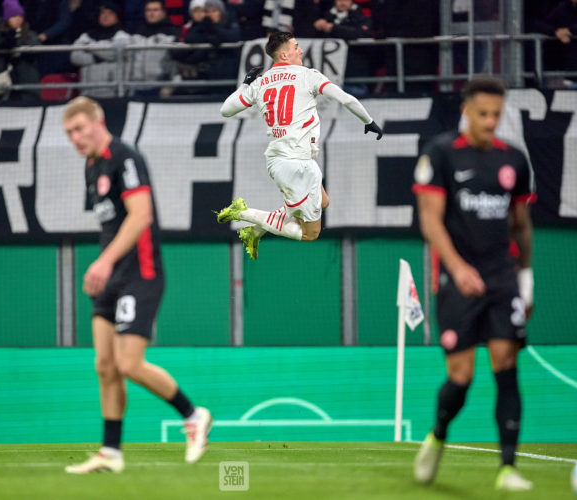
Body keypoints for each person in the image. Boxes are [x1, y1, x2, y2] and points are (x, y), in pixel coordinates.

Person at [62, 96, 212, 474]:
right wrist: (105, 266)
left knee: (129, 363)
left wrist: (105, 261)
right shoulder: (90, 167)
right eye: (68, 133)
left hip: (140, 274)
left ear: (98, 122)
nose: (75, 138)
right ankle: (111, 452)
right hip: (110, 278)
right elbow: (111, 224)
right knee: (105, 365)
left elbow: (141, 215)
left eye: (79, 129)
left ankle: (193, 416)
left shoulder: (124, 156)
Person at [411, 76, 536, 491]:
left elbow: (521, 225)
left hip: (502, 277)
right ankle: (438, 434)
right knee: (461, 377)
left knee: (506, 365)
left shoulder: (514, 160)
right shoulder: (441, 154)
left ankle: (507, 468)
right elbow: (430, 220)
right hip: (455, 279)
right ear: (466, 111)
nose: (490, 121)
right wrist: (457, 267)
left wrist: (527, 277)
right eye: (483, 114)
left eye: (496, 115)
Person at [215, 31, 383, 260]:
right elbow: (346, 99)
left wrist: (245, 85)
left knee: (324, 201)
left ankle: (256, 230)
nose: (300, 50)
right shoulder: (309, 75)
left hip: (284, 159)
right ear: (284, 54)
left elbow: (226, 110)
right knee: (310, 234)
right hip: (296, 165)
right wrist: (368, 121)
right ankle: (245, 214)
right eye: (296, 46)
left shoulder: (261, 82)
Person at [0, 0, 41, 101]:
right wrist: (2, 43)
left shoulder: (29, 33)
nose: (18, 19)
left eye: (20, 16)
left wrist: (17, 42)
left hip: (25, 82)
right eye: (14, 16)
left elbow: (36, 44)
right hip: (1, 79)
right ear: (7, 19)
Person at [70, 0, 131, 99]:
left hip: (113, 93)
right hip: (87, 92)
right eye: (103, 13)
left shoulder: (123, 36)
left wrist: (89, 47)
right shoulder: (85, 36)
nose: (105, 16)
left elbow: (113, 53)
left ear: (117, 17)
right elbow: (75, 57)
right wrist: (97, 58)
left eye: (110, 13)